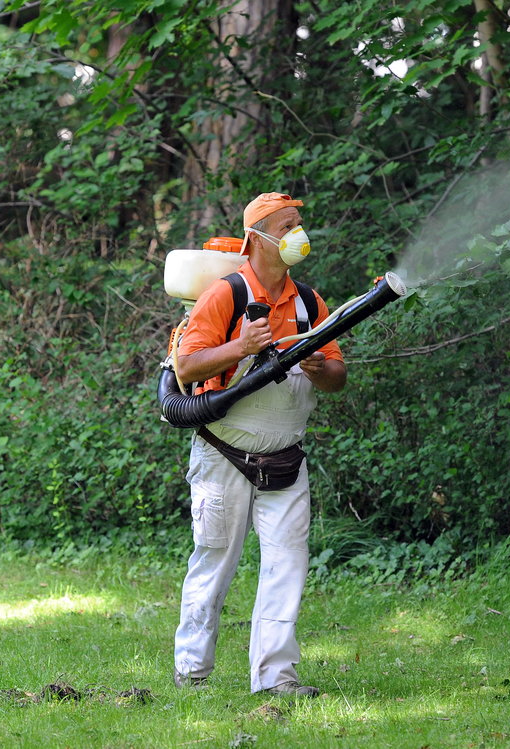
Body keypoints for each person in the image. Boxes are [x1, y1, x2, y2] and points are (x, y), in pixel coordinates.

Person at [172, 192, 347, 697]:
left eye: (300, 223)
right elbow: (186, 366)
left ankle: (276, 678)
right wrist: (242, 347)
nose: (299, 233)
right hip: (223, 451)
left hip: (286, 457)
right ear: (257, 237)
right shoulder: (224, 295)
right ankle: (191, 671)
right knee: (215, 561)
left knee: (287, 564)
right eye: (287, 224)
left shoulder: (310, 303)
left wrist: (321, 368)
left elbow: (337, 376)